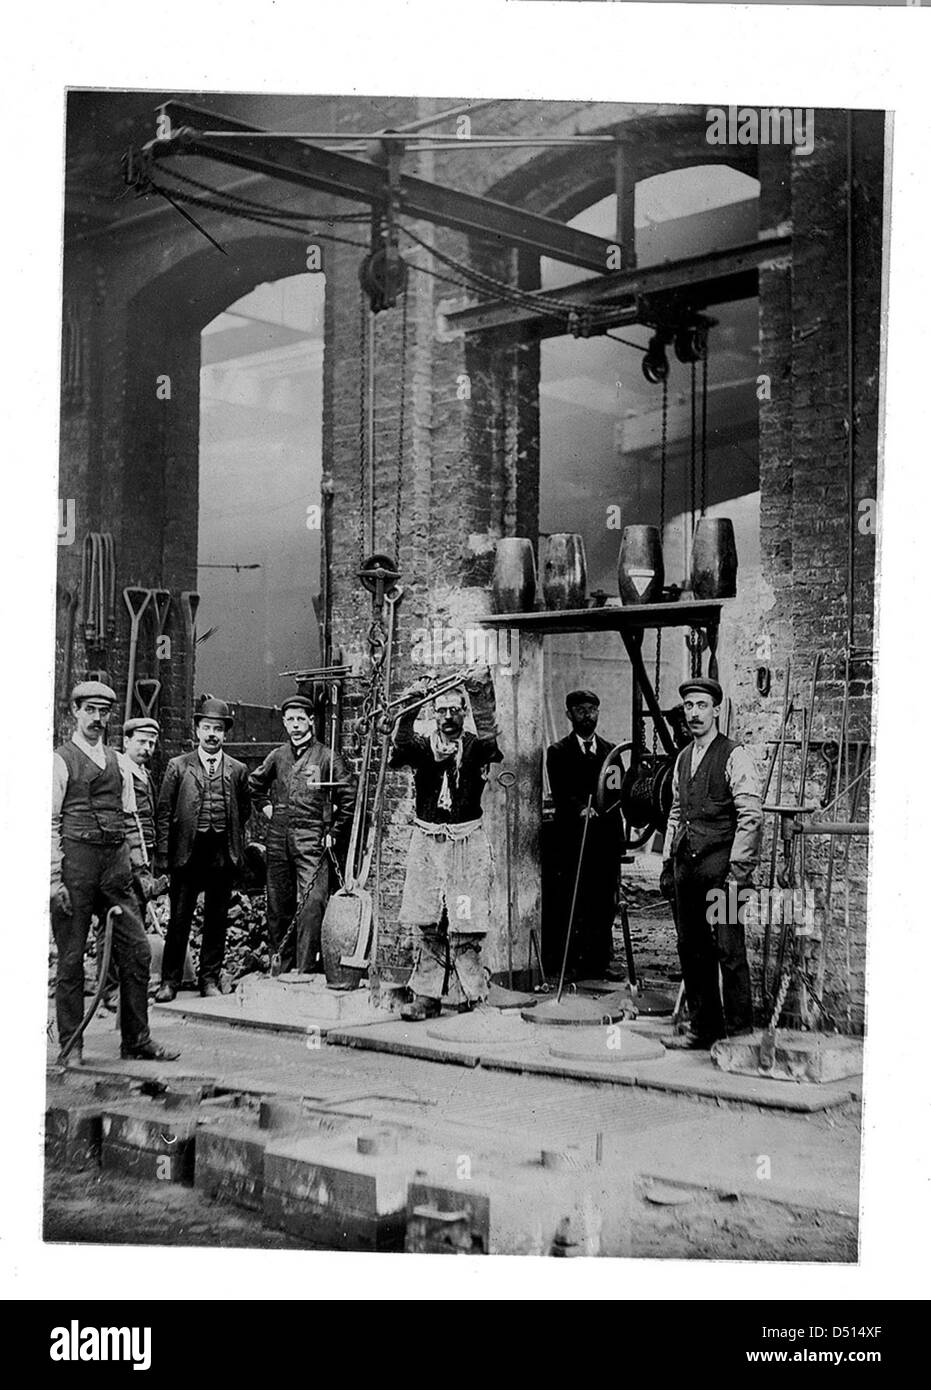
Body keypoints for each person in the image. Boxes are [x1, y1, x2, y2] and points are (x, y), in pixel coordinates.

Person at [50, 681, 180, 1063]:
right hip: (75, 868)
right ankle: (71, 1046)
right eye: (89, 710)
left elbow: (129, 819)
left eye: (103, 712)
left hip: (115, 870)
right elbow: (48, 822)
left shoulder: (117, 763)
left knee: (137, 951)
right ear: (74, 712)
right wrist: (54, 878)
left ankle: (136, 1040)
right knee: (72, 961)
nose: (97, 718)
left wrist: (139, 869)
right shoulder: (60, 760)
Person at [389, 666, 502, 1021]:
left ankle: (473, 995)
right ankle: (426, 996)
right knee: (428, 923)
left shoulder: (475, 747)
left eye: (455, 710)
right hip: (427, 848)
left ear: (464, 712)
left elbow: (490, 738)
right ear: (433, 713)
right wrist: (410, 703)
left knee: (466, 923)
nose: (449, 717)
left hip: (465, 850)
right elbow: (401, 744)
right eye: (441, 710)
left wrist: (481, 694)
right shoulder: (423, 747)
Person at [660, 678, 762, 1050]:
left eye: (702, 705)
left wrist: (739, 872)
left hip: (724, 873)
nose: (695, 713)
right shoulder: (684, 758)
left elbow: (751, 816)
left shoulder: (735, 755)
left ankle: (739, 1034)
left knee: (729, 951)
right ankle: (704, 1028)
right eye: (689, 706)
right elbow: (676, 811)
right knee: (692, 947)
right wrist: (669, 861)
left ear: (716, 709)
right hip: (688, 869)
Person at [248, 695, 355, 973]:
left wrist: (335, 831)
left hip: (311, 835)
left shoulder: (326, 756)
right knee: (277, 903)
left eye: (300, 719)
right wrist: (267, 807)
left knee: (311, 903)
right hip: (278, 836)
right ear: (284, 723)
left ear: (310, 720)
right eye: (290, 720)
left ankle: (305, 967)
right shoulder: (277, 756)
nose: (295, 725)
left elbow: (348, 799)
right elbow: (254, 784)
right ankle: (281, 965)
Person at [154, 697, 252, 1001]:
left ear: (225, 734)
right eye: (207, 727)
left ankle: (208, 979)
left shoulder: (237, 770)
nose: (212, 734)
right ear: (197, 729)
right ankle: (169, 982)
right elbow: (163, 812)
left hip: (222, 853)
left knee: (216, 919)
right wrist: (163, 858)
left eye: (218, 729)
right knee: (180, 919)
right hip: (188, 854)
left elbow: (244, 810)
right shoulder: (178, 766)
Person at [546, 690, 623, 981]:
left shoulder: (611, 752)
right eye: (581, 710)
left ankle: (599, 962)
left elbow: (616, 791)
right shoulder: (558, 752)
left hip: (604, 840)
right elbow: (562, 791)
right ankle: (571, 964)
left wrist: (608, 814)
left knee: (603, 902)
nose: (587, 715)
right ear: (569, 715)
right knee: (572, 900)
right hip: (573, 840)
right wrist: (580, 809)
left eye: (592, 709)